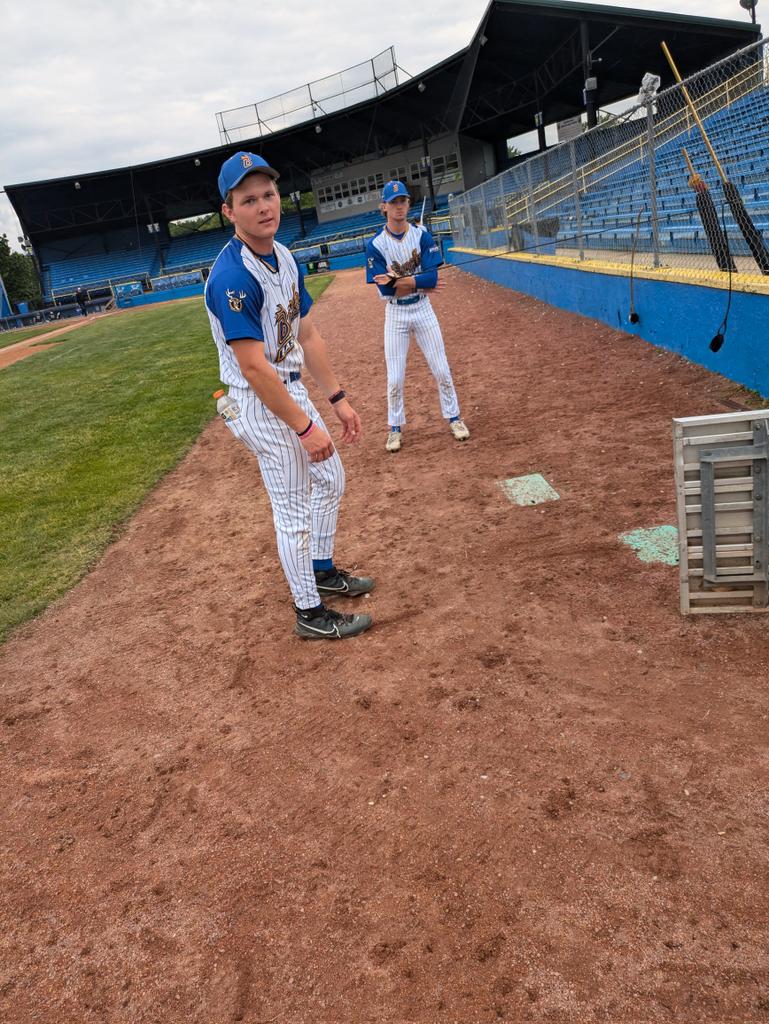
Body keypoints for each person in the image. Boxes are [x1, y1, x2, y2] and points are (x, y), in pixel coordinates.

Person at [205, 151, 374, 640]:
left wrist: (337, 399)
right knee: (293, 506)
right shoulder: (233, 276)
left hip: (288, 389)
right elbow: (254, 367)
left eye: (270, 194)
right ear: (229, 211)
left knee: (332, 478)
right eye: (249, 199)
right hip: (259, 400)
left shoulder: (284, 256)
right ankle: (309, 612)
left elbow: (308, 334)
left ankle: (320, 570)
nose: (264, 206)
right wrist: (303, 427)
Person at [365, 180, 469, 453]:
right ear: (384, 207)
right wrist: (419, 281)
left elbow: (433, 276)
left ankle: (454, 418)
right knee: (395, 377)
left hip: (423, 309)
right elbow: (385, 288)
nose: (399, 206)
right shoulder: (375, 245)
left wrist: (402, 279)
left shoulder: (421, 235)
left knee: (441, 368)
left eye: (403, 201)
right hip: (395, 314)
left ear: (408, 204)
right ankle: (394, 428)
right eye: (394, 202)